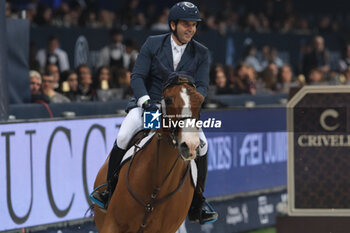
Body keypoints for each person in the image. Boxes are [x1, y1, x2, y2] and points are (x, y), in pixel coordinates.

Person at [91, 1, 218, 224]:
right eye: (186, 24)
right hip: (151, 106)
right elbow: (138, 77)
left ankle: (198, 201)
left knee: (203, 145)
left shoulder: (202, 53)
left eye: (194, 25)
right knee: (123, 136)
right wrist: (146, 101)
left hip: (182, 113)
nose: (191, 29)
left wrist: (192, 105)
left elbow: (203, 86)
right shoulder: (153, 44)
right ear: (173, 24)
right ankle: (108, 189)